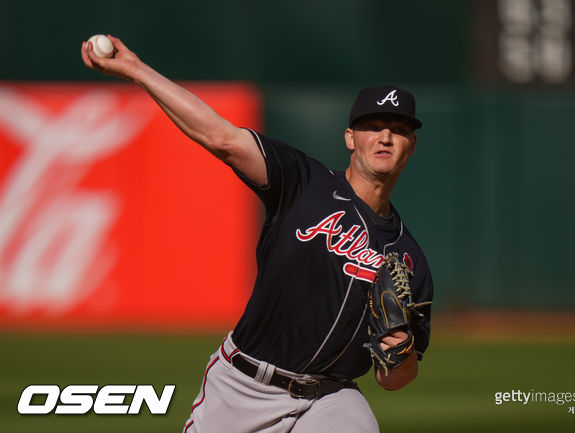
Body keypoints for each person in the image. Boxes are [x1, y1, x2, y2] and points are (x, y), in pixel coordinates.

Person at [82, 35, 433, 433]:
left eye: (398, 129)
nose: (385, 137)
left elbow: (394, 380)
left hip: (330, 398)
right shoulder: (303, 181)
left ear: (412, 145)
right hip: (244, 387)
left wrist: (398, 347)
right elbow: (221, 137)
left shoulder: (409, 258)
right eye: (373, 126)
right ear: (350, 138)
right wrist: (134, 69)